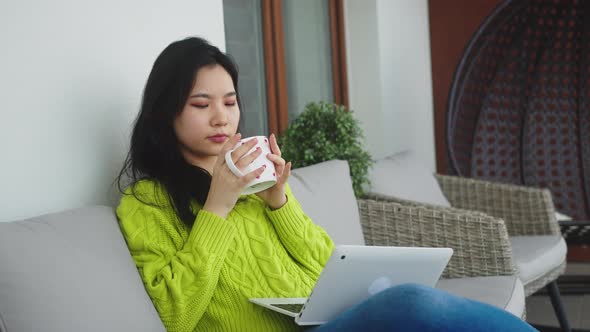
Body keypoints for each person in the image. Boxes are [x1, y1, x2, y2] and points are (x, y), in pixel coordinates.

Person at [116, 36, 538, 332]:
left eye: (230, 102)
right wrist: (216, 208)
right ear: (166, 112)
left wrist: (280, 203)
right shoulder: (146, 204)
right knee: (411, 301)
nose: (221, 118)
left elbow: (326, 269)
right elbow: (174, 316)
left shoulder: (256, 185)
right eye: (200, 104)